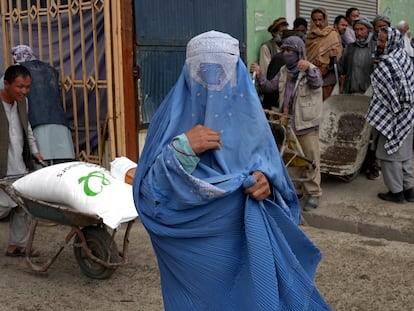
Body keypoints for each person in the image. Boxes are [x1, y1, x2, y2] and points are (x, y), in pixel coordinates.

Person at [133, 30, 331, 310]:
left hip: (248, 255)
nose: (213, 81)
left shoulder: (253, 123)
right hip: (195, 268)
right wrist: (180, 151)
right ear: (188, 73)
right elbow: (147, 196)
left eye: (222, 70)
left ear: (237, 72)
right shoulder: (169, 121)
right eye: (203, 70)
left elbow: (282, 191)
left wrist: (269, 185)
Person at [250, 36, 324, 211]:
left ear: (298, 52)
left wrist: (309, 69)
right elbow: (270, 87)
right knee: (293, 159)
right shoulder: (284, 70)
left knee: (311, 159)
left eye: (289, 51)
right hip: (288, 123)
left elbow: (317, 83)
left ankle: (314, 193)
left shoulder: (310, 69)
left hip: (306, 124)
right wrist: (260, 75)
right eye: (284, 50)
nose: (285, 54)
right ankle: (296, 189)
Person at [365, 27, 414, 203]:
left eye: (382, 41)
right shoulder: (404, 56)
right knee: (405, 154)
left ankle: (396, 192)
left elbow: (392, 95)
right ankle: (409, 190)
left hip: (393, 117)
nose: (378, 44)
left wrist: (392, 112)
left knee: (389, 155)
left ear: (391, 42)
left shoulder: (388, 63)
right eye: (378, 40)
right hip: (408, 116)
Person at [0, 65, 43, 256]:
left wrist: (35, 151)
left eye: (27, 87)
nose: (24, 91)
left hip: (19, 162)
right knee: (2, 206)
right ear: (6, 84)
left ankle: (17, 245)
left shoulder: (23, 103)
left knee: (23, 204)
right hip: (2, 164)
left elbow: (28, 129)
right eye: (20, 87)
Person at [11, 45, 75, 165]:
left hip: (37, 124)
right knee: (63, 168)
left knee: (41, 169)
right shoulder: (50, 69)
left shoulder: (18, 72)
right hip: (59, 123)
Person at [339, 16, 380, 180]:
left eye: (361, 29)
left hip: (369, 96)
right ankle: (352, 166)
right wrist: (334, 61)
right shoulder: (349, 48)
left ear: (368, 30)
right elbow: (342, 68)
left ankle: (372, 166)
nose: (358, 33)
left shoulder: (375, 47)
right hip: (351, 93)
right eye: (356, 30)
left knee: (369, 134)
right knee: (353, 131)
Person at [306, 7, 343, 100]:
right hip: (312, 75)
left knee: (326, 106)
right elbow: (307, 56)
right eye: (315, 20)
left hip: (328, 78)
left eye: (320, 19)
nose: (317, 23)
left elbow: (338, 55)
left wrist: (325, 66)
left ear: (325, 19)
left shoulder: (333, 34)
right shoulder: (309, 36)